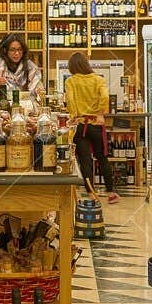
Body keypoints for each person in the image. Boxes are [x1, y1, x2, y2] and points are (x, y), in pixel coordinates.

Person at [63, 52, 118, 203]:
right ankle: (110, 192)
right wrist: (100, 113)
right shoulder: (98, 79)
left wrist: (74, 115)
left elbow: (70, 100)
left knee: (85, 159)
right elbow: (105, 97)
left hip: (80, 125)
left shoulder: (71, 81)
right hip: (96, 124)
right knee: (102, 158)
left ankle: (91, 193)